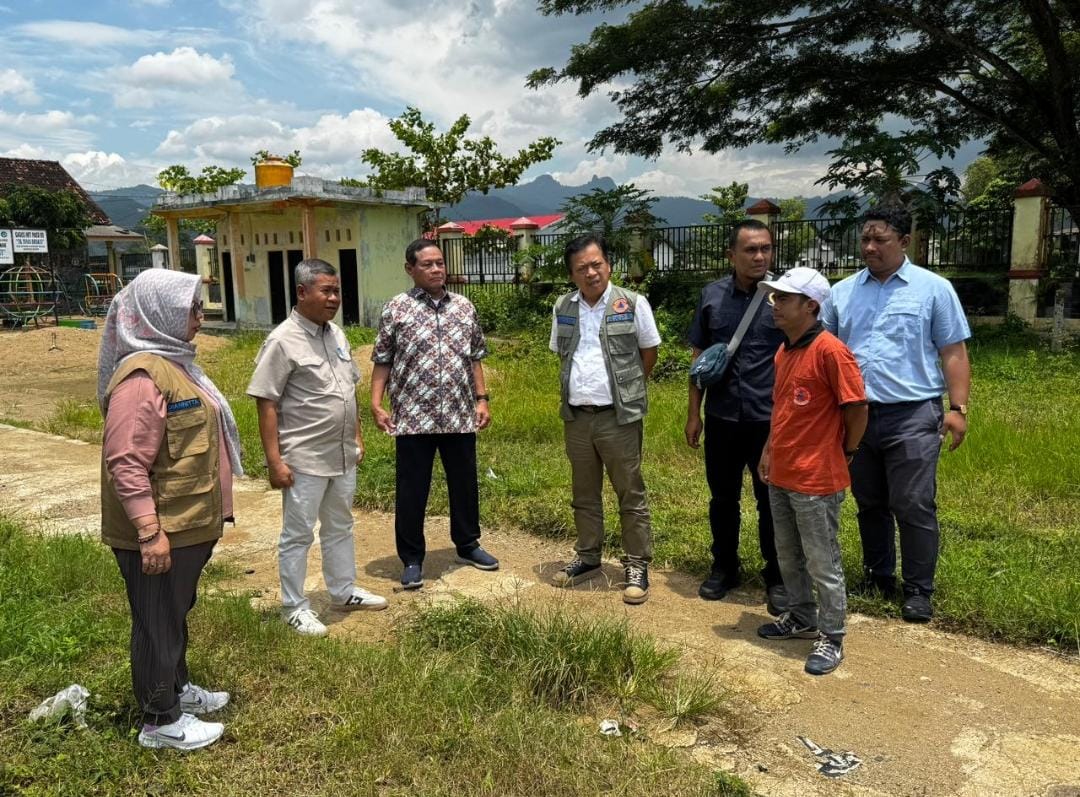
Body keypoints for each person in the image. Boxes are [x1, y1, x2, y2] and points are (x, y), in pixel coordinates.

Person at [98, 269, 242, 750]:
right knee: (156, 619)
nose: (200, 319)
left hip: (186, 524)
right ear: (160, 314)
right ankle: (160, 719)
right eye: (191, 310)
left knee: (173, 611)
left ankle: (178, 689)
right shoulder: (142, 377)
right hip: (163, 529)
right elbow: (126, 461)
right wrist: (147, 532)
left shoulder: (174, 365)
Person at [820, 205, 971, 623]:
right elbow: (825, 352)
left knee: (913, 502)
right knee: (869, 501)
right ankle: (878, 575)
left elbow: (953, 351)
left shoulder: (933, 289)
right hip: (857, 415)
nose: (869, 247)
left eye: (879, 239)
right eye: (865, 239)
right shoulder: (843, 291)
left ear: (904, 241)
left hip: (913, 414)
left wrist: (957, 409)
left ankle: (919, 589)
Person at [247, 258, 387, 638]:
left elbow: (348, 390)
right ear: (301, 292)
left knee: (340, 525)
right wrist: (274, 462)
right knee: (298, 533)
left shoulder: (336, 334)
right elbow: (266, 403)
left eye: (337, 291)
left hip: (341, 454)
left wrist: (357, 436)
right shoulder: (282, 340)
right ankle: (293, 606)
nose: (334, 298)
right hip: (304, 458)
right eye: (326, 291)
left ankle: (342, 591)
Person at [755, 267, 868, 676]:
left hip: (817, 478)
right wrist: (770, 450)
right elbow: (783, 409)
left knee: (823, 559)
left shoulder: (831, 352)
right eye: (775, 298)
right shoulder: (784, 351)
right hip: (783, 471)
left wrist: (848, 451)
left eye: (784, 299)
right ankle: (801, 617)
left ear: (811, 306)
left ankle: (831, 634)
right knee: (788, 553)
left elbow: (857, 408)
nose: (775, 305)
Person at [370, 240, 499, 590]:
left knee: (464, 484)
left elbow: (475, 357)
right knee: (412, 489)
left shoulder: (464, 307)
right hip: (413, 417)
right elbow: (383, 359)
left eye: (440, 263)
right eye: (427, 264)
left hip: (458, 415)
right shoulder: (397, 308)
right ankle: (412, 558)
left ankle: (468, 544)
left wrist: (482, 399)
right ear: (410, 269)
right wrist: (376, 402)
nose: (436, 269)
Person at [549, 233, 661, 604]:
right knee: (584, 493)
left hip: (619, 417)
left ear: (608, 265)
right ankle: (587, 557)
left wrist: (627, 391)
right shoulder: (563, 306)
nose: (591, 272)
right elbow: (563, 356)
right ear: (572, 274)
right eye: (582, 268)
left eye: (596, 264)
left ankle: (636, 564)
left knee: (630, 491)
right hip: (577, 417)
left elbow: (649, 352)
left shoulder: (632, 303)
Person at [686, 219, 788, 611]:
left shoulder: (784, 296)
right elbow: (699, 360)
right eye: (750, 249)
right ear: (732, 255)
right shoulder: (712, 296)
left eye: (765, 248)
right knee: (723, 498)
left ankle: (776, 576)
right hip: (723, 417)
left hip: (769, 420)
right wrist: (694, 414)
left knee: (771, 501)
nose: (759, 256)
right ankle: (723, 567)